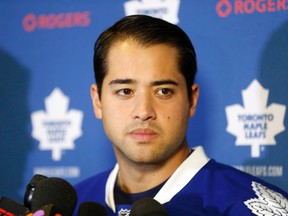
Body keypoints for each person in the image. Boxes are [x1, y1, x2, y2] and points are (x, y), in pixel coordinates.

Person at [73, 15, 288, 216]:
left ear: (192, 100)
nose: (143, 112)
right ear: (97, 101)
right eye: (125, 91)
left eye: (163, 91)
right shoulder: (72, 204)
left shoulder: (249, 206)